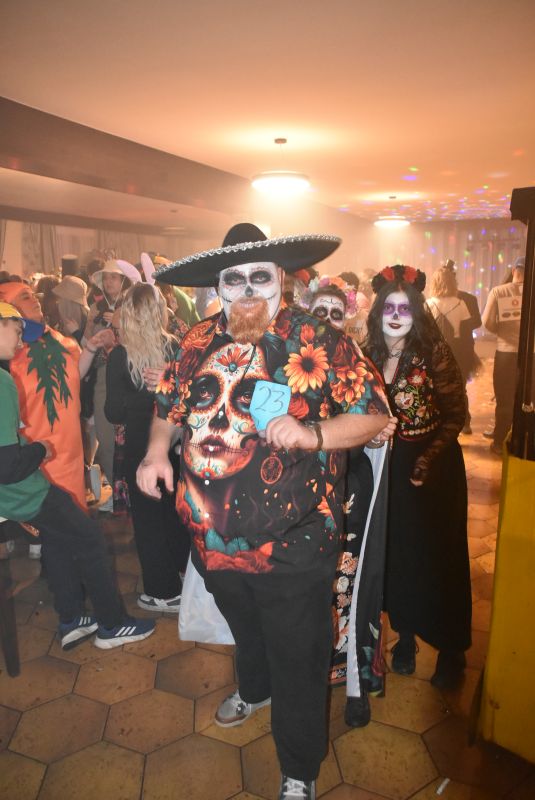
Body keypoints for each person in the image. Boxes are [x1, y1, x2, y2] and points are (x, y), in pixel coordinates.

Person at [137, 224, 392, 800]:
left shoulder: (318, 340)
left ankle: (299, 767)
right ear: (218, 286)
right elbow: (168, 406)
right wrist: (155, 452)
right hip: (211, 539)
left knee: (298, 651)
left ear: (281, 278)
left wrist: (313, 433)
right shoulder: (197, 339)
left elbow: (374, 413)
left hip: (295, 542)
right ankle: (254, 689)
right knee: (246, 626)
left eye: (260, 276)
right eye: (235, 279)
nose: (248, 289)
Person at [0, 301, 155, 649]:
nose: (20, 340)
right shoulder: (2, 381)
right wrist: (39, 449)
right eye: (16, 329)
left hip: (17, 492)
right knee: (90, 539)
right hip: (24, 491)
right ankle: (112, 625)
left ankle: (71, 618)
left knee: (57, 539)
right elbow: (7, 465)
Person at [364, 264, 472, 690]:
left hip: (434, 470)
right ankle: (405, 637)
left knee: (439, 558)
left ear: (417, 312)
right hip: (386, 469)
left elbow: (456, 414)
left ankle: (451, 649)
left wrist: (426, 459)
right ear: (378, 311)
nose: (396, 315)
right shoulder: (367, 353)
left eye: (404, 308)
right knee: (396, 555)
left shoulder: (434, 352)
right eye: (388, 307)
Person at [300, 275, 389, 728]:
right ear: (307, 314)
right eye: (321, 312)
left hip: (352, 491)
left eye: (337, 313)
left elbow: (373, 426)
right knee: (306, 589)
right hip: (304, 496)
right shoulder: (291, 363)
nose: (329, 320)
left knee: (351, 586)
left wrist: (378, 433)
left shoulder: (360, 365)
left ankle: (354, 681)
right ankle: (302, 680)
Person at [105, 284, 190, 612]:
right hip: (172, 444)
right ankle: (183, 575)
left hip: (141, 446)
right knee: (173, 511)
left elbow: (113, 412)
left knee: (148, 520)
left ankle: (163, 592)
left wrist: (137, 396)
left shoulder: (120, 356)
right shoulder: (175, 348)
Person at [0, 279, 112, 512]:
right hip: (34, 450)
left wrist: (90, 348)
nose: (34, 299)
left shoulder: (57, 338)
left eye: (32, 294)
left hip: (69, 445)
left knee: (73, 511)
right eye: (24, 296)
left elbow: (73, 376)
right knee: (47, 513)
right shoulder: (7, 351)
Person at [85, 260, 136, 509]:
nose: (108, 282)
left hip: (129, 373)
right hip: (103, 373)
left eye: (114, 277)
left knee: (131, 436)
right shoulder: (96, 307)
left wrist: (118, 324)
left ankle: (131, 492)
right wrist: (94, 325)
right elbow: (86, 341)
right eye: (106, 278)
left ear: (123, 280)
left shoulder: (132, 304)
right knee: (105, 436)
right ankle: (117, 494)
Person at [481, 257, 528, 455]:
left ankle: (500, 441)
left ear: (514, 270)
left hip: (505, 352)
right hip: (530, 355)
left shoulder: (499, 291)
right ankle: (523, 440)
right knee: (527, 399)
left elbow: (486, 321)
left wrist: (500, 331)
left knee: (504, 399)